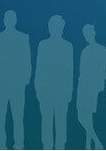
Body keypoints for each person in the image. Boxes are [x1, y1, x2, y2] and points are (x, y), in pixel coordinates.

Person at [0, 10, 31, 150]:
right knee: (0, 117)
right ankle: (1, 144)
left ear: (14, 20)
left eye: (11, 18)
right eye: (7, 18)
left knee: (17, 116)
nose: (9, 21)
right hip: (1, 84)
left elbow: (27, 61)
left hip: (17, 84)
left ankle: (19, 144)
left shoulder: (23, 38)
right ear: (4, 21)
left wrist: (25, 80)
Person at [34, 15, 73, 150]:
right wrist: (38, 89)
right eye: (54, 26)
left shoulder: (68, 46)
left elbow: (70, 72)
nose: (56, 29)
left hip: (61, 92)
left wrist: (69, 92)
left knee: (61, 122)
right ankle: (47, 146)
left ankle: (60, 146)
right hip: (46, 92)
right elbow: (39, 69)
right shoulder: (43, 45)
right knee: (47, 122)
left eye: (58, 26)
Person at [77, 24, 106, 149]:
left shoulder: (101, 49)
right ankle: (93, 144)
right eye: (85, 34)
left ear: (93, 33)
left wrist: (100, 79)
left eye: (88, 33)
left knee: (86, 116)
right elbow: (82, 71)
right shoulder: (84, 50)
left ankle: (93, 144)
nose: (87, 36)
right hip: (82, 86)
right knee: (82, 116)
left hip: (92, 87)